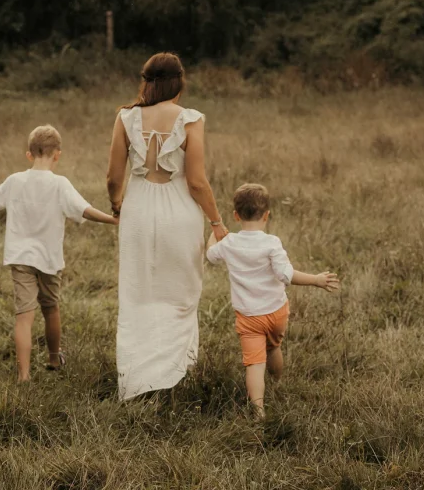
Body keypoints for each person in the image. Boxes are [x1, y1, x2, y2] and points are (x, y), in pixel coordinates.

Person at [106, 52, 228, 401]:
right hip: (180, 213)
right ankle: (175, 374)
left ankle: (137, 380)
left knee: (138, 292)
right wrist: (217, 222)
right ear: (180, 81)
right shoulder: (191, 119)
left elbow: (114, 176)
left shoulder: (125, 117)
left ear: (146, 81)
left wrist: (117, 204)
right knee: (180, 293)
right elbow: (197, 182)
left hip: (138, 209)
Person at [0, 124, 118, 381]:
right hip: (49, 259)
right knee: (51, 309)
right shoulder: (60, 184)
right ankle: (53, 358)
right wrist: (112, 219)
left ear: (29, 154)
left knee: (24, 317)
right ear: (57, 154)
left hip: (20, 257)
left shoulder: (15, 180)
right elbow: (84, 210)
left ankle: (23, 375)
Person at [206, 181, 340, 415]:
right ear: (267, 215)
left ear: (236, 216)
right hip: (276, 312)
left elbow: (210, 256)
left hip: (249, 317)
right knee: (273, 347)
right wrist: (316, 279)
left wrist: (213, 232)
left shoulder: (228, 244)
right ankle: (278, 382)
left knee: (254, 364)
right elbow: (286, 275)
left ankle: (259, 412)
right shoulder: (271, 243)